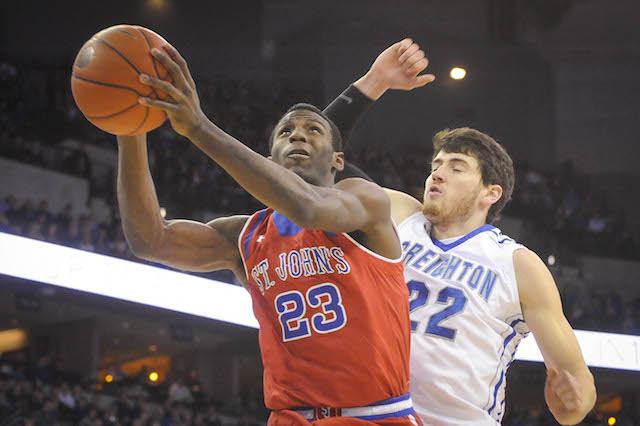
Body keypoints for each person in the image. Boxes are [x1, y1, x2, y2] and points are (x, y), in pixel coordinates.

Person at [116, 40, 431, 425]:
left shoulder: (363, 202)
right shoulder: (245, 238)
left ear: (338, 160)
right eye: (285, 133)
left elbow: (308, 208)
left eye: (313, 130)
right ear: (268, 162)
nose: (298, 136)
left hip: (374, 416)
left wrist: (198, 127)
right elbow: (150, 240)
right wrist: (129, 129)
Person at [322, 40, 597, 425]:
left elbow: (576, 387)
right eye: (436, 164)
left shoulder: (518, 265)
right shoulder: (401, 217)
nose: (437, 172)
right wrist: (374, 81)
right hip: (370, 416)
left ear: (490, 193)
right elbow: (316, 158)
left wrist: (572, 399)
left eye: (456, 166)